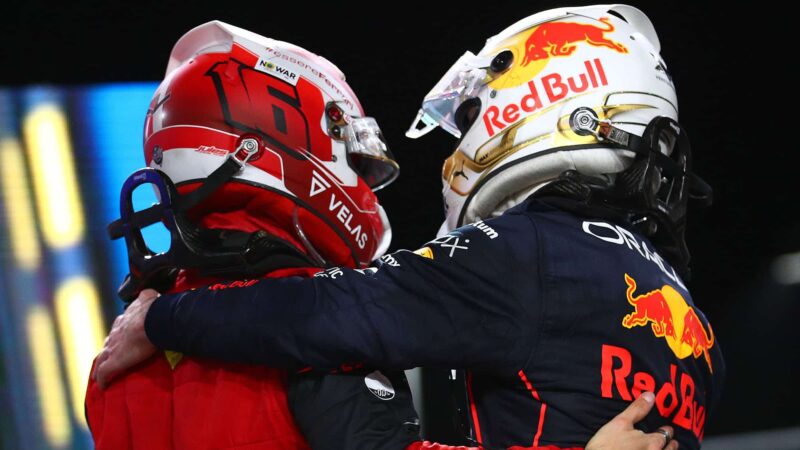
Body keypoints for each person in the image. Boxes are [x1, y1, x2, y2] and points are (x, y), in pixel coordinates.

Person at [95, 6, 711, 449]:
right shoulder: (692, 323)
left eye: (471, 112)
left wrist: (160, 319)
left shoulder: (535, 253)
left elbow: (324, 312)